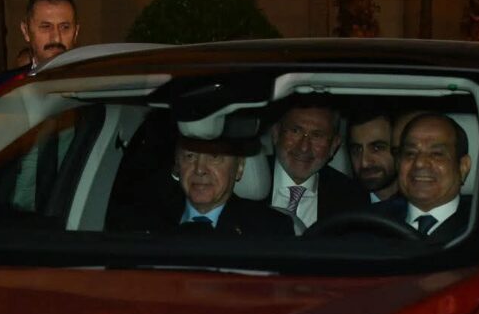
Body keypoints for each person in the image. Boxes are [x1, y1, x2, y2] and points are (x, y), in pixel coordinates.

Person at [130, 132, 293, 237]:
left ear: (239, 168)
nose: (200, 169)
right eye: (190, 156)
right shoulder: (140, 223)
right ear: (178, 165)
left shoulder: (270, 230)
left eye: (214, 157)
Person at [265, 96, 369, 230]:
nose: (304, 147)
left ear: (334, 145)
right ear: (276, 133)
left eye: (317, 135)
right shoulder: (242, 184)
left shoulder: (352, 198)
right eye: (295, 131)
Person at [380, 113, 473, 242]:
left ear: (463, 167)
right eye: (410, 153)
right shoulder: (368, 223)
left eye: (436, 154)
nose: (419, 163)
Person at [0, 0, 79, 92]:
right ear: (26, 31)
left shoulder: (90, 85)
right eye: (46, 27)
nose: (56, 38)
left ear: (76, 32)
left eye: (65, 27)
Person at [346, 103, 399, 200]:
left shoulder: (422, 202)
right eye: (357, 150)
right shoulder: (340, 204)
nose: (364, 163)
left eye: (377, 148)